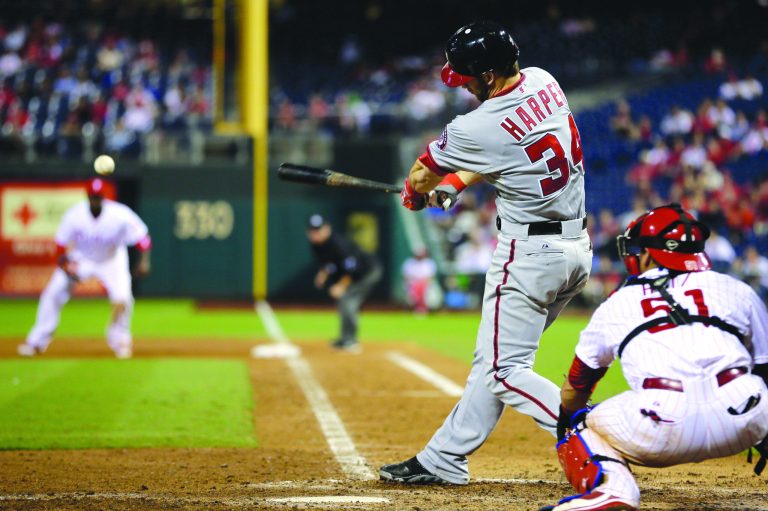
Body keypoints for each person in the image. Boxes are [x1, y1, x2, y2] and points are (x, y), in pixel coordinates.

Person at [380, 21, 592, 484]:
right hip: (575, 250)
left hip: (529, 256)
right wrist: (456, 183)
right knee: (493, 361)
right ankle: (443, 458)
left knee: (503, 369)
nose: (463, 86)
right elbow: (505, 151)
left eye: (467, 78)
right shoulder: (543, 80)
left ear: (489, 75)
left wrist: (417, 193)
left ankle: (593, 432)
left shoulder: (475, 125)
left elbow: (419, 177)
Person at [539, 204, 768, 511]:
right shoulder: (737, 289)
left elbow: (576, 386)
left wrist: (567, 423)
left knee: (580, 421)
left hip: (660, 425)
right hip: (744, 414)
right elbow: (765, 368)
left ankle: (615, 489)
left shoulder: (619, 301)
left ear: (649, 254)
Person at [18, 177, 152, 359]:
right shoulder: (75, 215)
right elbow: (60, 243)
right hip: (82, 259)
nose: (95, 199)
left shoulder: (120, 214)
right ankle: (37, 341)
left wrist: (144, 261)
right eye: (92, 196)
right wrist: (65, 263)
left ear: (103, 197)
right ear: (88, 196)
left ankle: (119, 339)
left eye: (98, 196)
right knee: (53, 292)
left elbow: (143, 238)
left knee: (123, 298)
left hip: (111, 259)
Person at [306, 214, 382, 352]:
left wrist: (341, 286)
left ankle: (350, 340)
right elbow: (328, 263)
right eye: (312, 230)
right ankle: (345, 338)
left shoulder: (338, 244)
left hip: (368, 271)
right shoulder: (317, 246)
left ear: (327, 229)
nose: (315, 233)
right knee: (344, 301)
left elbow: (352, 267)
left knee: (348, 300)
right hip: (356, 273)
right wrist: (322, 275)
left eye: (318, 229)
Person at [401, 247, 437, 314]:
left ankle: (422, 308)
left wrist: (422, 283)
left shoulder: (429, 263)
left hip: (426, 286)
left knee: (425, 291)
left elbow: (430, 277)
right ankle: (415, 308)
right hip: (411, 286)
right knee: (413, 294)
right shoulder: (409, 263)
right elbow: (406, 277)